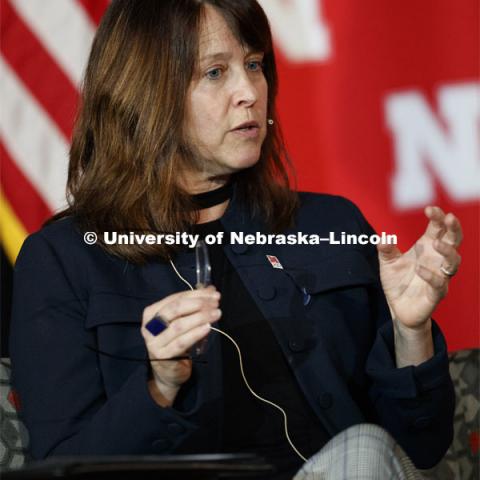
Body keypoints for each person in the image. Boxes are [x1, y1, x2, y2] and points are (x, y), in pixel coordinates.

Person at [10, 1, 463, 479]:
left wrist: (411, 332)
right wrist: (160, 386)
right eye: (214, 73)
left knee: (366, 449)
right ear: (144, 92)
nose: (249, 91)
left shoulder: (332, 223)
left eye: (253, 64)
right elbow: (64, 466)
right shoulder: (62, 260)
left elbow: (422, 447)